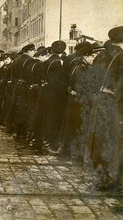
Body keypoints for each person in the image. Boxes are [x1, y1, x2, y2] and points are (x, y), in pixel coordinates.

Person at [86, 26, 123, 190]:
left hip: (100, 100)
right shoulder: (121, 56)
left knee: (100, 138)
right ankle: (113, 178)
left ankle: (102, 175)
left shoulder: (102, 54)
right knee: (115, 139)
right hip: (115, 102)